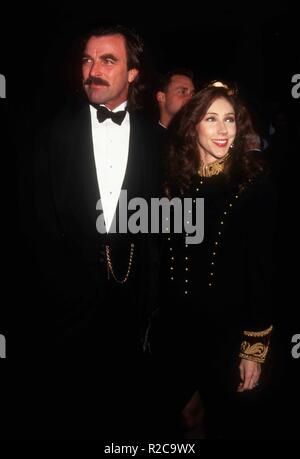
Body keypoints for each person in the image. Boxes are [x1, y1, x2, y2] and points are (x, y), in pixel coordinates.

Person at [31, 25, 162, 438]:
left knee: (127, 419)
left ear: (133, 73)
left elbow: (162, 229)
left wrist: (152, 307)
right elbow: (34, 225)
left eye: (108, 60)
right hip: (65, 315)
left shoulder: (158, 142)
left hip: (132, 314)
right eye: (88, 59)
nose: (93, 70)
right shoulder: (49, 134)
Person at [149, 84, 276, 438]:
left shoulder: (253, 184)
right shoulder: (173, 181)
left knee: (225, 422)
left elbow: (262, 270)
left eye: (230, 120)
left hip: (225, 335)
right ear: (193, 126)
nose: (223, 130)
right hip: (173, 332)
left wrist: (254, 347)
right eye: (212, 119)